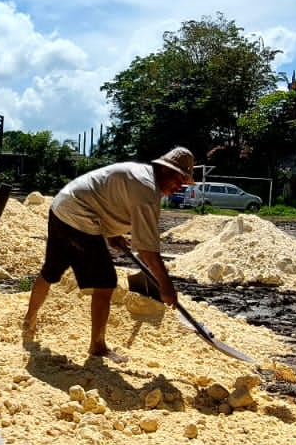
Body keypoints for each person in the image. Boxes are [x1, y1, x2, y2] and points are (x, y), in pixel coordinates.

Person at [22, 146, 195, 363]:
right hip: (79, 215)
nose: (179, 187)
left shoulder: (140, 175)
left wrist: (111, 234)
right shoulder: (146, 189)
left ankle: (29, 319)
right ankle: (98, 346)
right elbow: (148, 249)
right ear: (165, 171)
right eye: (179, 180)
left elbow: (105, 199)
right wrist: (166, 285)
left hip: (62, 207)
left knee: (52, 270)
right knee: (105, 282)